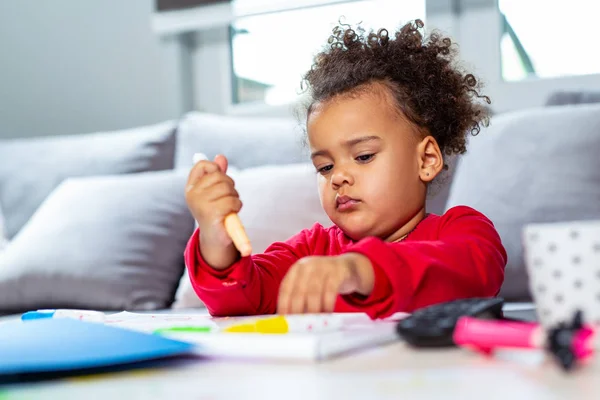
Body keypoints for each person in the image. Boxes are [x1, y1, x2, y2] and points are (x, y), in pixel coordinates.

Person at [183, 19, 507, 319]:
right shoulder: (312, 251)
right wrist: (215, 240)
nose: (337, 177)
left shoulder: (463, 230)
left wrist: (359, 269)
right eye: (324, 167)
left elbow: (469, 273)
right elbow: (243, 298)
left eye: (363, 156)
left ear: (426, 160)